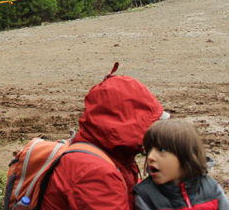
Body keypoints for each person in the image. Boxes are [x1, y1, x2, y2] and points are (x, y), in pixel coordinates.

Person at [40, 64, 169, 210]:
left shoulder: (113, 153)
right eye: (149, 123)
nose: (154, 133)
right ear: (126, 123)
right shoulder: (95, 173)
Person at [134, 120, 229, 210]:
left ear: (188, 156)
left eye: (162, 150)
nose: (151, 156)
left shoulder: (210, 187)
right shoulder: (146, 196)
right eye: (149, 150)